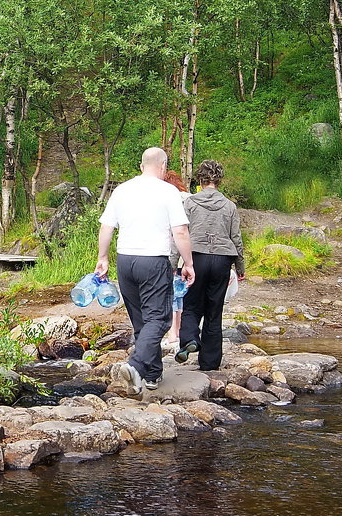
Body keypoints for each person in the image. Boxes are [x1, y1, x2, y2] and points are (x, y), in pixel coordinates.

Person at [95, 147, 196, 394]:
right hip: (153, 260)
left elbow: (107, 227)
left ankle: (151, 376)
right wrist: (189, 263)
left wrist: (102, 258)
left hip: (125, 260)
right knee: (159, 319)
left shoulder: (122, 189)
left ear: (142, 166)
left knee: (141, 320)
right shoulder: (168, 191)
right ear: (163, 166)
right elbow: (180, 231)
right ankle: (136, 365)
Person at [174, 160, 245, 371]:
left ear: (201, 179)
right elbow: (236, 239)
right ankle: (210, 362)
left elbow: (180, 234)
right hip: (222, 259)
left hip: (195, 258)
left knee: (192, 304)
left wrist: (171, 263)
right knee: (214, 310)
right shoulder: (229, 206)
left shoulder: (190, 203)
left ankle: (189, 340)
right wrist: (240, 266)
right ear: (219, 180)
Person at [163, 170, 192, 346]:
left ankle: (172, 333)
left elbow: (173, 233)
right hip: (188, 252)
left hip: (173, 252)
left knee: (172, 293)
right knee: (180, 291)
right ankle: (179, 330)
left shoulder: (169, 200)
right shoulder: (190, 199)